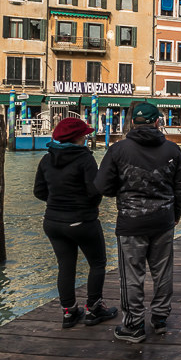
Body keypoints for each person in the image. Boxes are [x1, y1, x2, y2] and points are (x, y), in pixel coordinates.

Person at [96, 102, 181, 343]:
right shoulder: (173, 150)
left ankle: (134, 324)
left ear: (132, 123)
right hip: (163, 219)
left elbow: (103, 186)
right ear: (158, 122)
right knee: (163, 271)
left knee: (131, 275)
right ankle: (159, 318)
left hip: (131, 221)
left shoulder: (118, 150)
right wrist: (176, 214)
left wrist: (125, 190)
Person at [33, 117, 118, 329]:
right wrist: (86, 205)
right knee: (97, 263)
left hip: (53, 221)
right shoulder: (84, 159)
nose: (87, 137)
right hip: (82, 221)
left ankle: (69, 313)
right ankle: (94, 309)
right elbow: (94, 190)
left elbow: (39, 192)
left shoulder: (46, 159)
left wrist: (57, 203)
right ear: (77, 137)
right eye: (84, 134)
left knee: (65, 266)